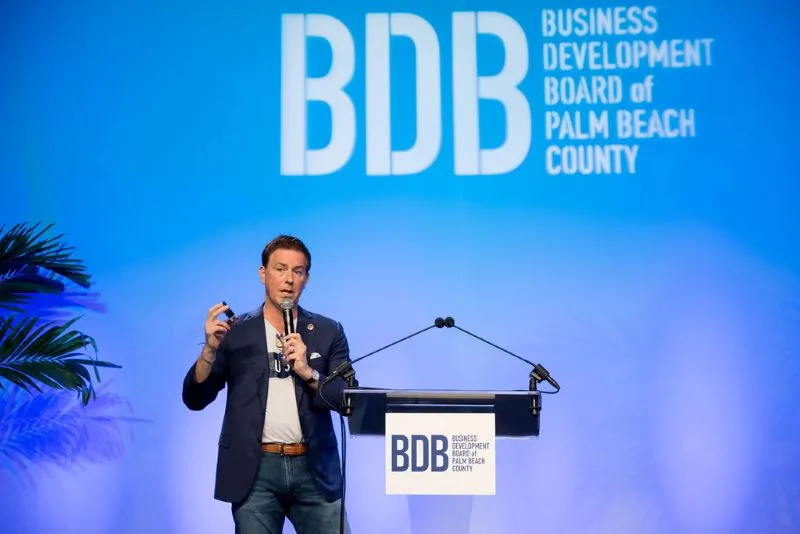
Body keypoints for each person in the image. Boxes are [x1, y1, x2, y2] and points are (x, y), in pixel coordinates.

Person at [182, 234, 354, 534]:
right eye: (280, 269)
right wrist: (209, 351)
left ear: (306, 279)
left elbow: (347, 400)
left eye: (297, 271)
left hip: (315, 470)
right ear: (263, 274)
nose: (288, 279)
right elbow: (195, 398)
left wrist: (308, 372)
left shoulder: (328, 331)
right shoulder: (236, 332)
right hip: (255, 471)